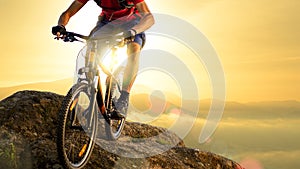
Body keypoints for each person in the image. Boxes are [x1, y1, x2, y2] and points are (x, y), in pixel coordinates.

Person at [52, 0, 155, 118]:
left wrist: (133, 31)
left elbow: (149, 18)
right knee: (91, 48)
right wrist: (61, 26)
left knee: (133, 48)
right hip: (108, 23)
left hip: (133, 22)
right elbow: (68, 13)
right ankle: (89, 92)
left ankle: (124, 98)